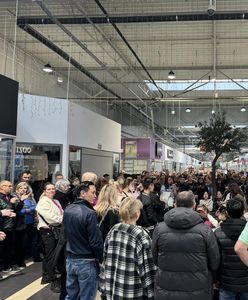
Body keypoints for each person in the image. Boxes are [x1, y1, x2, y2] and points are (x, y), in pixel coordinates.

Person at [152, 191, 220, 300]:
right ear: (194, 206)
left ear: (175, 205)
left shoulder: (159, 229)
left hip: (167, 288)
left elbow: (155, 259)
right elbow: (214, 261)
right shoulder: (205, 230)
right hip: (198, 288)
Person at [100, 197, 156, 299]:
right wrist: (151, 294)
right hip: (133, 291)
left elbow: (105, 260)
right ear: (137, 213)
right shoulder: (141, 235)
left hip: (113, 289)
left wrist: (103, 286)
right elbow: (148, 270)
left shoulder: (114, 230)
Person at [63, 181, 103, 300]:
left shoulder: (68, 209)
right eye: (93, 192)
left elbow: (65, 234)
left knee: (71, 295)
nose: (95, 196)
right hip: (86, 261)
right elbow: (95, 241)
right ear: (83, 193)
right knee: (87, 297)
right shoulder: (89, 213)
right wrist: (101, 258)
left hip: (70, 259)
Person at [215, 197, 248, 300]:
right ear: (243, 212)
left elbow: (215, 259)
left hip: (226, 282)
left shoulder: (218, 232)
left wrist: (215, 279)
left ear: (227, 213)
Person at [36, 183, 63, 293]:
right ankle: (54, 279)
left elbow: (62, 212)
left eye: (53, 189)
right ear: (44, 191)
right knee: (52, 256)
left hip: (54, 230)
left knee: (50, 254)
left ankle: (46, 276)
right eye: (49, 189)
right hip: (47, 231)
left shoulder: (55, 201)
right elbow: (51, 218)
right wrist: (62, 219)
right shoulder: (43, 201)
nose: (51, 191)